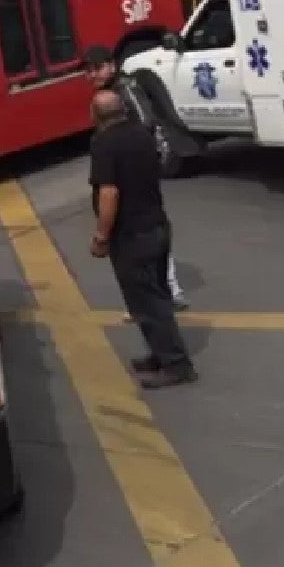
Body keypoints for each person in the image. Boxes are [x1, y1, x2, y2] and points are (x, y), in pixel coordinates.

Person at [88, 89, 198, 389]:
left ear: (96, 114)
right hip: (157, 227)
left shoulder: (104, 144)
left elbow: (109, 193)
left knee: (148, 304)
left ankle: (176, 365)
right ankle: (160, 354)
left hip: (132, 236)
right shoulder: (142, 133)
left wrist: (101, 236)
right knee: (155, 296)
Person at [84, 45, 189, 310]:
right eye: (88, 71)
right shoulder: (107, 92)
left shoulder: (125, 88)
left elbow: (145, 121)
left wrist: (128, 149)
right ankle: (152, 296)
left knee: (146, 225)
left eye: (97, 69)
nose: (92, 75)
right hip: (131, 166)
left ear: (111, 65)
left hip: (137, 169)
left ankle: (168, 291)